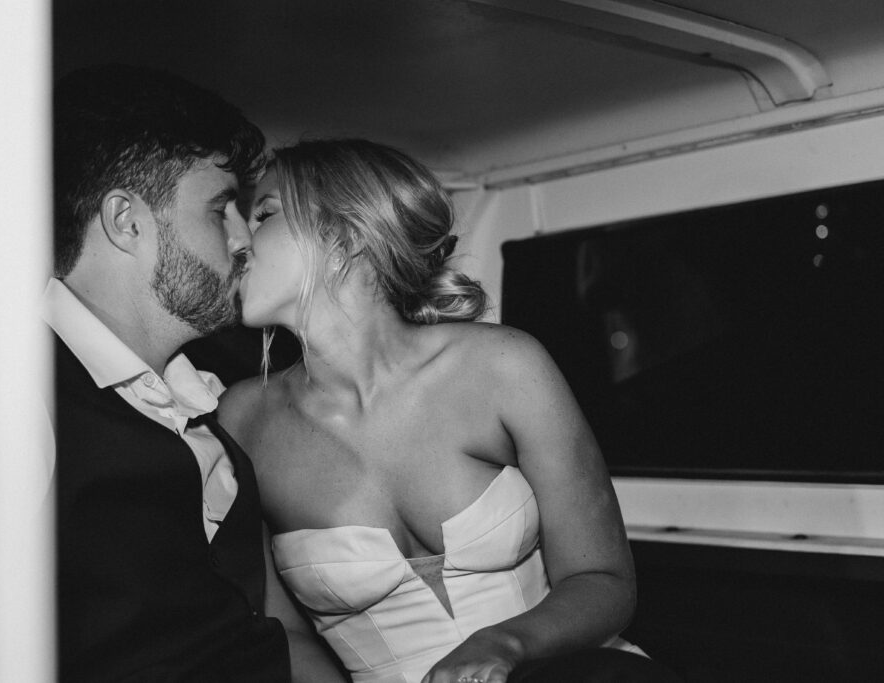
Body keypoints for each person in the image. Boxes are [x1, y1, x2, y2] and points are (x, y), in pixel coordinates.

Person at [219, 139, 678, 683]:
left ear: (344, 236)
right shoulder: (242, 420)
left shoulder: (504, 365)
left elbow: (603, 578)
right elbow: (280, 630)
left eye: (264, 214)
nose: (237, 239)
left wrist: (505, 643)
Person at [46, 64, 342, 682]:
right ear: (126, 221)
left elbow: (278, 635)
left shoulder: (213, 407)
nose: (244, 240)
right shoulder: (12, 398)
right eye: (220, 209)